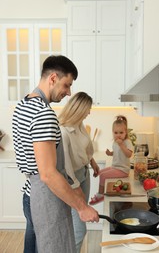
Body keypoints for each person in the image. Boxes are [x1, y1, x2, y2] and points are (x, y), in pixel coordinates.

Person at [12, 55, 99, 253]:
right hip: (45, 198)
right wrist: (82, 207)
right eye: (66, 85)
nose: (68, 93)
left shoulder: (23, 105)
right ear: (52, 78)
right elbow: (48, 174)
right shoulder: (43, 113)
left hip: (30, 194)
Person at [58, 92, 100, 253]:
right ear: (79, 109)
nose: (89, 113)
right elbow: (66, 168)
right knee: (79, 229)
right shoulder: (63, 132)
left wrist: (92, 161)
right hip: (73, 181)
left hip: (84, 174)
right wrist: (75, 190)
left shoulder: (79, 124)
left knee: (76, 224)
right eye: (87, 109)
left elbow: (87, 146)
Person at [89, 115, 133, 205]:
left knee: (103, 176)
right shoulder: (115, 142)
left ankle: (100, 195)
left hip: (123, 170)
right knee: (100, 172)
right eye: (116, 133)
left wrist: (122, 145)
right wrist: (110, 153)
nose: (118, 135)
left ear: (126, 132)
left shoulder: (127, 142)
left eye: (121, 132)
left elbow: (129, 154)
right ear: (113, 132)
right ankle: (101, 192)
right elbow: (118, 152)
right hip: (115, 167)